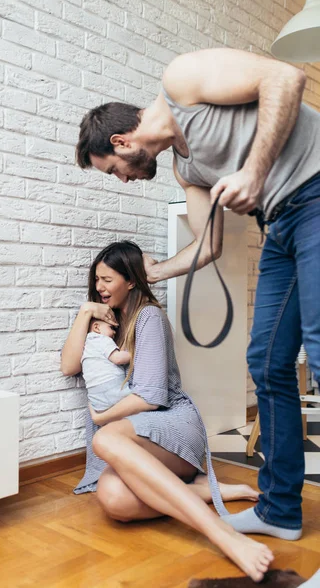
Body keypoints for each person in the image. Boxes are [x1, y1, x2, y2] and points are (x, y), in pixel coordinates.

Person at [75, 48, 320, 544]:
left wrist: (253, 173)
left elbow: (286, 79)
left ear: (122, 142)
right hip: (279, 224)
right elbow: (208, 245)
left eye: (113, 170)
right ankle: (279, 511)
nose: (121, 179)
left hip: (315, 194)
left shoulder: (181, 81)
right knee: (269, 362)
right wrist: (155, 273)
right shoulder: (186, 170)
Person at [61, 240, 272, 582]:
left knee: (106, 439)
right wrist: (85, 313)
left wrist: (101, 419)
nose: (99, 287)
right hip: (129, 431)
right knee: (113, 498)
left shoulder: (149, 317)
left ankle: (223, 535)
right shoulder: (106, 321)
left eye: (107, 279)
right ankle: (206, 490)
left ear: (131, 280)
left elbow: (152, 398)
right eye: (96, 279)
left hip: (170, 421)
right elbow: (70, 365)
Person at [81, 317, 132, 412]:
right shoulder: (102, 339)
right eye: (111, 327)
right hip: (111, 386)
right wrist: (135, 353)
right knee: (140, 399)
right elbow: (118, 358)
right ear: (97, 328)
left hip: (95, 396)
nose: (115, 332)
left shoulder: (87, 345)